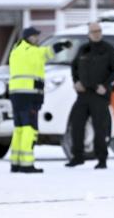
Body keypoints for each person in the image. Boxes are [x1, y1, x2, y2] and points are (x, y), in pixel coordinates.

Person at [8, 26, 70, 173]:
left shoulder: (15, 51)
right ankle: (27, 164)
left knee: (19, 129)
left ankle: (15, 162)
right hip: (29, 95)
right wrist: (62, 45)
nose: (37, 39)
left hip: (16, 95)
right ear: (27, 38)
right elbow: (48, 52)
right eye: (34, 36)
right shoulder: (33, 52)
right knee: (30, 130)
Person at [65, 21, 114, 169]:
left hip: (99, 95)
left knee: (100, 128)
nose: (96, 33)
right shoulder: (83, 49)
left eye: (98, 31)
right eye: (93, 31)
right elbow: (74, 67)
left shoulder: (108, 49)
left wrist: (106, 85)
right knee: (76, 125)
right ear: (89, 34)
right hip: (83, 94)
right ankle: (77, 157)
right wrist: (76, 81)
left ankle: (102, 159)